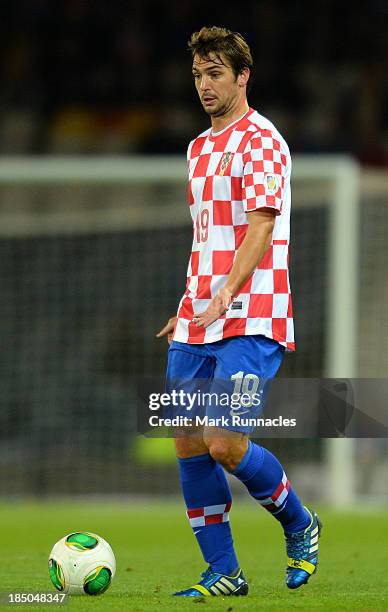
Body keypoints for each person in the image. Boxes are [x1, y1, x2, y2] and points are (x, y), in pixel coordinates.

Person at [156, 25, 321, 597]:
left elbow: (261, 226)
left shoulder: (264, 141)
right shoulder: (197, 150)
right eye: (198, 74)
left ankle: (300, 523)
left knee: (224, 442)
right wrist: (191, 303)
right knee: (185, 438)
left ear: (243, 75)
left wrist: (228, 288)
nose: (204, 85)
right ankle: (223, 571)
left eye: (216, 73)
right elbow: (206, 238)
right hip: (200, 314)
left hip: (253, 313)